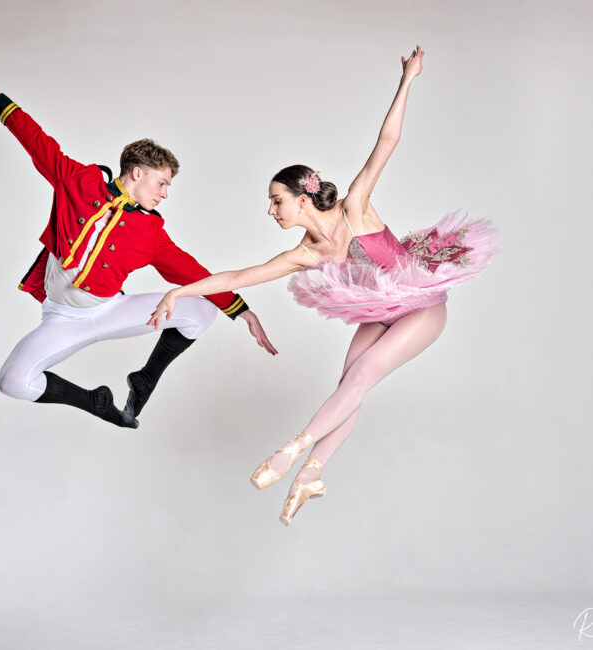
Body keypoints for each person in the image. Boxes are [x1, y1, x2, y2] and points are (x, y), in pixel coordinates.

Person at [146, 46, 499, 525]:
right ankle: (312, 475)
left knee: (361, 376)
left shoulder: (355, 210)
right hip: (381, 312)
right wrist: (177, 292)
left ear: (301, 198)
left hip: (422, 307)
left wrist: (407, 80)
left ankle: (292, 450)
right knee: (348, 386)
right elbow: (235, 277)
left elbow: (386, 142)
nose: (271, 211)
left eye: (276, 202)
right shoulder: (303, 254)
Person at [0, 79, 276, 428]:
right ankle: (95, 402)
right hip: (62, 318)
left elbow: (191, 271)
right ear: (138, 173)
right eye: (162, 183)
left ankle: (145, 378)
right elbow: (37, 142)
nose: (165, 193)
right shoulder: (78, 180)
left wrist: (243, 312)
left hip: (111, 311)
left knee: (203, 308)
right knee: (12, 382)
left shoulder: (151, 232)